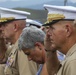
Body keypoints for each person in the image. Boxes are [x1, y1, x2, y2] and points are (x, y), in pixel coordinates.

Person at [0, 7, 38, 75]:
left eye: (4, 25)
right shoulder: (16, 47)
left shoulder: (24, 50)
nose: (1, 28)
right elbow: (2, 58)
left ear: (15, 27)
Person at [43, 4, 76, 75]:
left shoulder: (73, 62)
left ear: (67, 30)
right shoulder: (71, 57)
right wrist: (49, 50)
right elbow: (53, 72)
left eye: (52, 28)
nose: (48, 33)